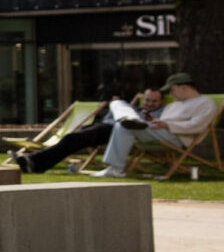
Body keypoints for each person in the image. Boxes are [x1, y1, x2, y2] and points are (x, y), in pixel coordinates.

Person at [12, 74, 216, 176]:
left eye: (172, 90)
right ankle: (126, 120)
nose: (171, 94)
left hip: (172, 136)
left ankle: (36, 162)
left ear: (184, 87)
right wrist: (152, 120)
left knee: (97, 132)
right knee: (118, 108)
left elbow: (197, 126)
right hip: (148, 128)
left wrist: (166, 124)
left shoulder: (205, 103)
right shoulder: (176, 104)